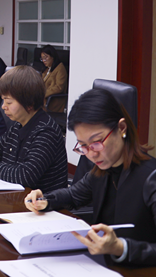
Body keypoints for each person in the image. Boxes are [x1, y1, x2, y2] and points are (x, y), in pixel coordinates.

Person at [24, 89, 156, 266]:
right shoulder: (102, 170)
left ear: (121, 128)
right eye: (83, 146)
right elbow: (73, 195)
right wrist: (44, 200)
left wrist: (121, 248)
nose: (92, 154)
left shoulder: (150, 177)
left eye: (97, 142)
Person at [40, 44, 67, 112]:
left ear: (52, 56)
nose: (44, 60)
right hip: (43, 98)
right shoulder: (46, 69)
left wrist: (43, 94)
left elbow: (59, 87)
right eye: (42, 58)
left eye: (46, 57)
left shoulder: (60, 69)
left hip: (52, 100)